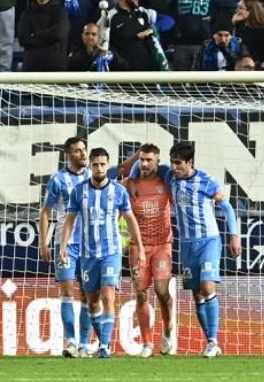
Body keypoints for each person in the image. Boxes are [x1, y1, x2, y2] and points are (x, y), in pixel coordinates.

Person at [57, 146, 141, 360]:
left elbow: (130, 219)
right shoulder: (79, 192)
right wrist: (63, 245)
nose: (99, 168)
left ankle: (105, 345)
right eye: (95, 164)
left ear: (108, 165)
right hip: (87, 254)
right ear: (91, 166)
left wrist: (139, 247)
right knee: (92, 300)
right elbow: (69, 221)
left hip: (110, 252)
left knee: (108, 294)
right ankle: (90, 342)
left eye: (103, 164)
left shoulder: (119, 191)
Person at [167, 141, 242, 357]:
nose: (173, 167)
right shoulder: (170, 177)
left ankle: (213, 341)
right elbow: (145, 169)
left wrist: (234, 235)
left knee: (207, 287)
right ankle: (209, 341)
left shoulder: (206, 181)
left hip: (209, 240)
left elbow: (226, 207)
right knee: (197, 294)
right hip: (187, 244)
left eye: (178, 163)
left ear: (190, 162)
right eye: (172, 162)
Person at [120, 143, 177, 357]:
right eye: (141, 160)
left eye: (149, 160)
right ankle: (146, 344)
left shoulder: (166, 182)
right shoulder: (127, 185)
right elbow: (117, 215)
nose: (144, 164)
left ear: (157, 162)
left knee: (162, 291)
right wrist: (121, 241)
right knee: (141, 294)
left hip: (163, 245)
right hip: (138, 247)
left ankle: (168, 328)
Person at [40, 137, 93, 357]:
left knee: (88, 294)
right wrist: (43, 242)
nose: (82, 154)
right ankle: (71, 341)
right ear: (68, 155)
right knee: (67, 291)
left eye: (84, 150)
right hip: (66, 243)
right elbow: (46, 211)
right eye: (77, 151)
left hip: (91, 245)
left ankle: (83, 343)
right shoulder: (58, 179)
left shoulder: (94, 175)